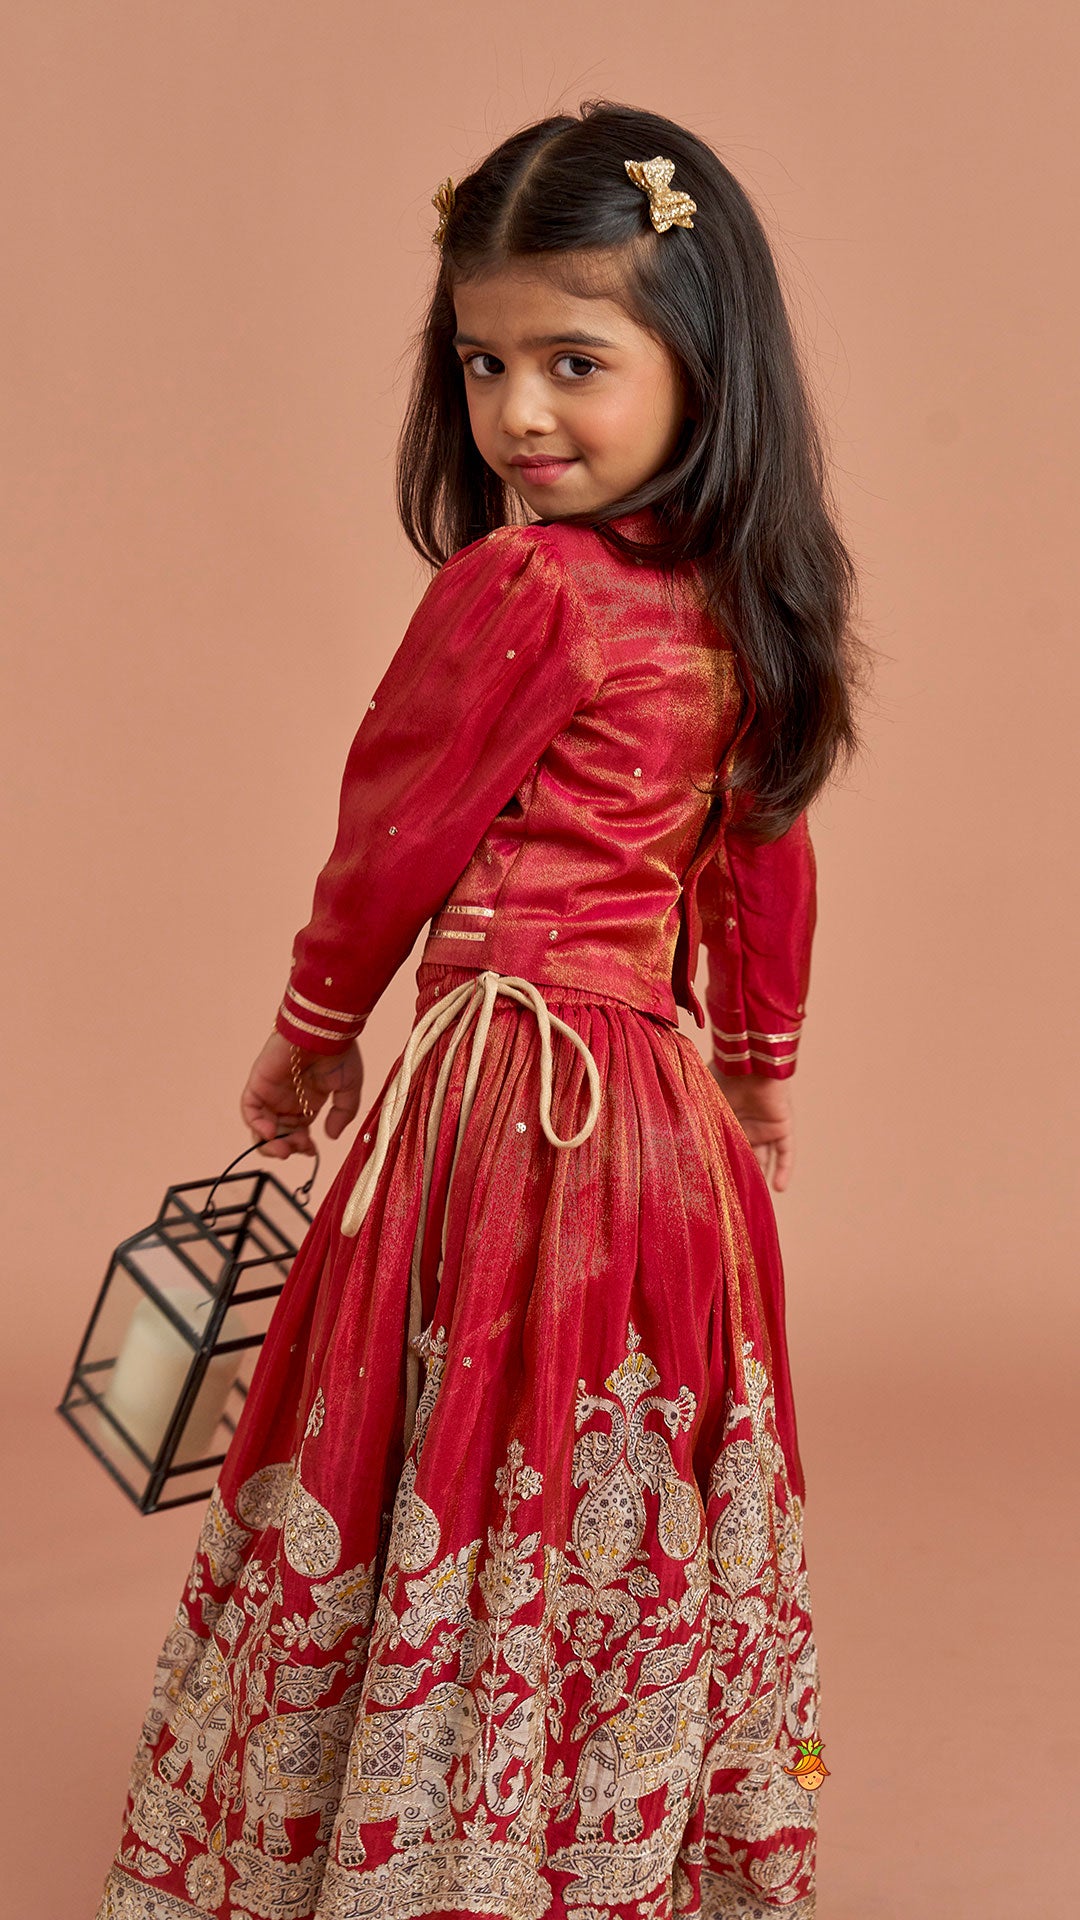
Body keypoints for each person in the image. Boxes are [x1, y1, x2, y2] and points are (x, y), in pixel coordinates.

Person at [96, 99, 863, 1920]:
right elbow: (761, 873)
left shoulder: (522, 588)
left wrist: (313, 1026)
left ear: (705, 359)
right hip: (660, 1129)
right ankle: (580, 1824)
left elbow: (397, 819)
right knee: (599, 1459)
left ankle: (411, 1826)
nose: (517, 416)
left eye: (572, 362)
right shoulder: (748, 609)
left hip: (507, 1107)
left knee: (436, 1430)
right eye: (483, 363)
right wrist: (752, 1086)